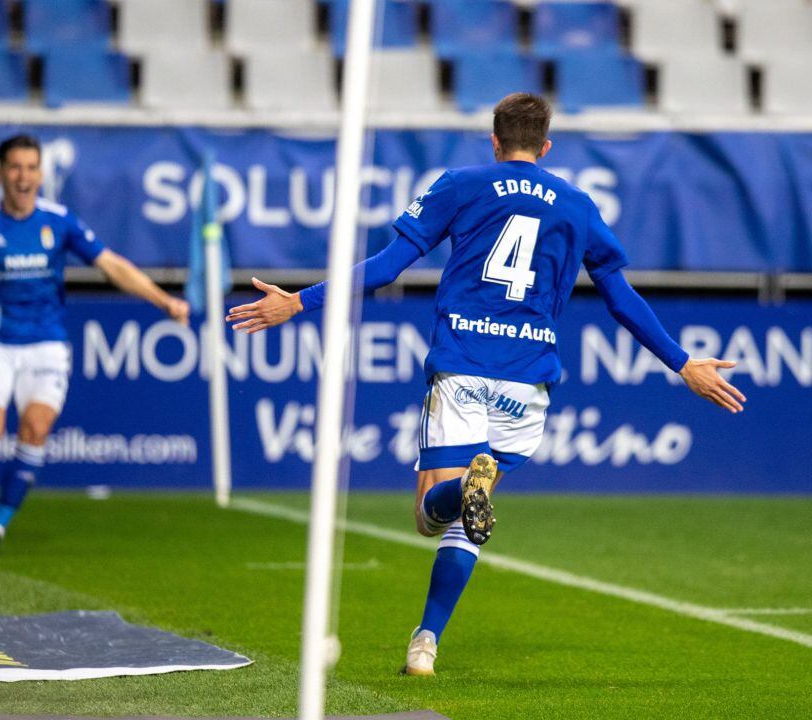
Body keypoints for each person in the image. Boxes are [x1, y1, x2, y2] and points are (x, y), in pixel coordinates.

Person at [224, 94, 745, 676]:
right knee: (473, 517)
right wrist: (681, 362)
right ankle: (425, 639)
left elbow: (389, 265)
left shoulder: (462, 183)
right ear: (546, 147)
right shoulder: (576, 204)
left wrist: (299, 300)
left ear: (494, 142)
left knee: (431, 514)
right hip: (528, 386)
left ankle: (454, 528)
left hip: (465, 365)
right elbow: (619, 296)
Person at [0, 134, 189, 555]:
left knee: (37, 426)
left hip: (47, 342)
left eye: (31, 168)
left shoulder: (59, 220)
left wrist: (163, 299)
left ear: (41, 174)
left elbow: (112, 264)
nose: (23, 177)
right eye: (15, 168)